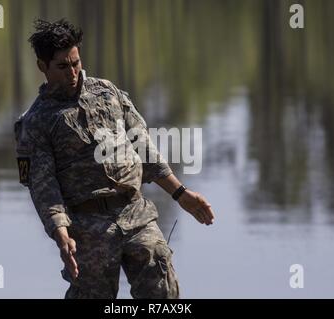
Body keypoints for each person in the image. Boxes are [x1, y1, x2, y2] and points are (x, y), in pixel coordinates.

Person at [14, 18, 215, 299]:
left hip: (136, 214)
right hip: (87, 227)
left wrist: (181, 194)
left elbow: (145, 149)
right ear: (42, 67)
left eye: (76, 63)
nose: (73, 72)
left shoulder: (107, 93)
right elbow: (44, 189)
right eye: (62, 66)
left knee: (163, 293)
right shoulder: (36, 122)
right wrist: (61, 234)